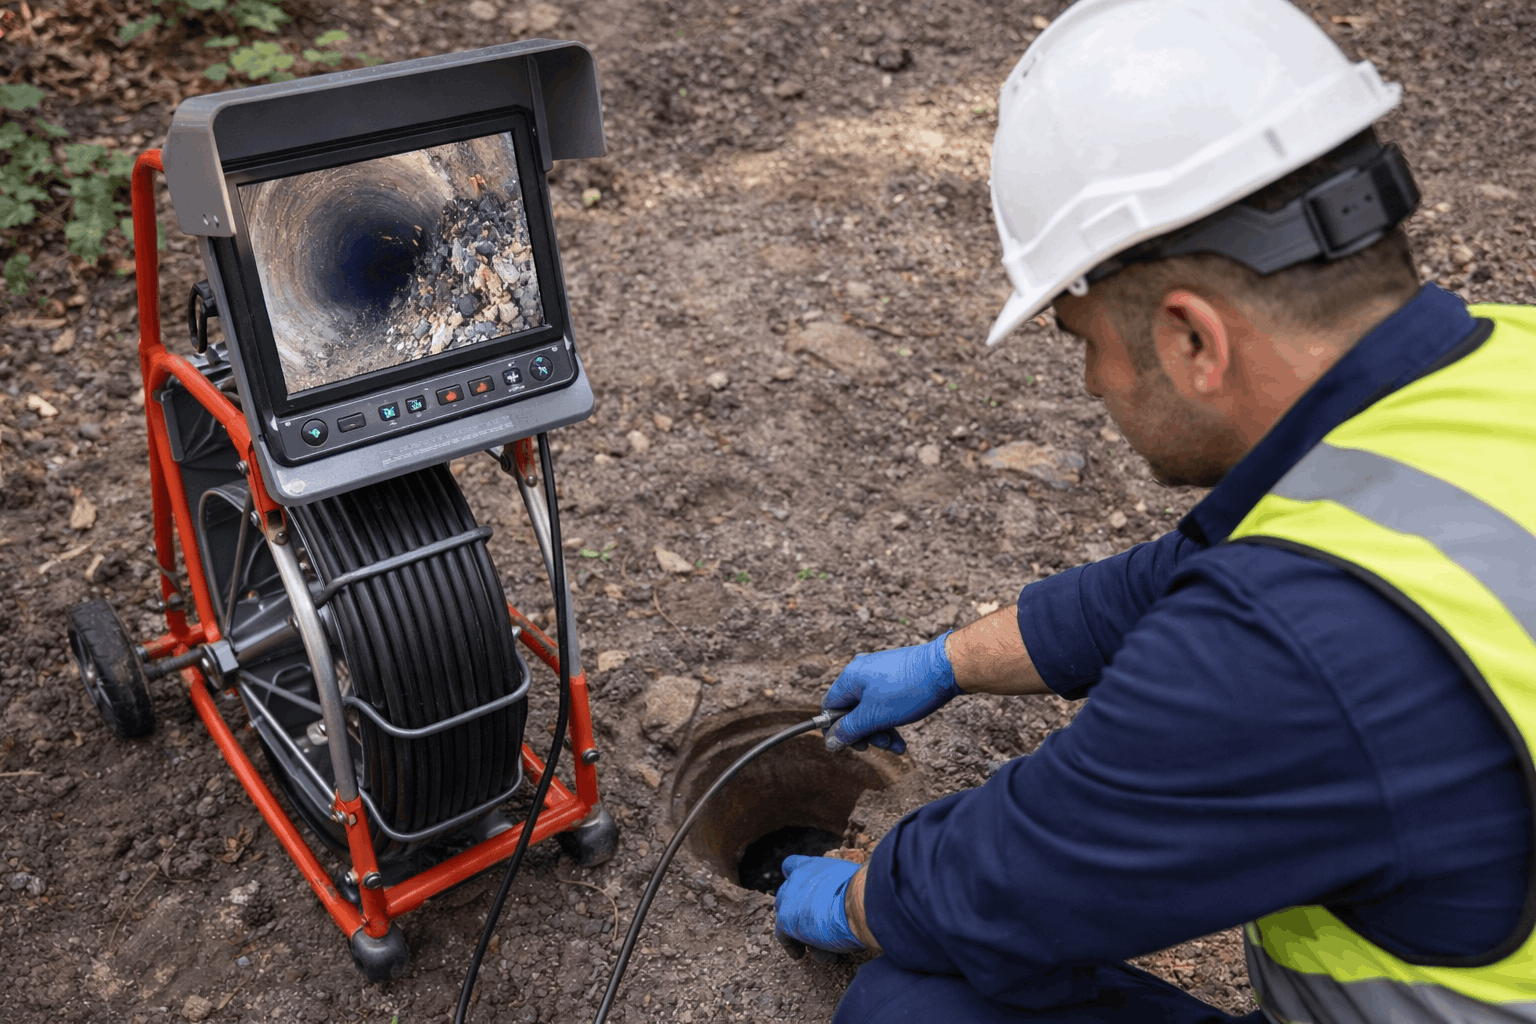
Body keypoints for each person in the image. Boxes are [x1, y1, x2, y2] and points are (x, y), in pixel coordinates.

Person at [767, 1, 1536, 1022]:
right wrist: (948, 661)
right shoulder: (1495, 360)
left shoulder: (1292, 651)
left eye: (1083, 337)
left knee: (909, 1009)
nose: (1090, 380)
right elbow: (1191, 567)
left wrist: (857, 896)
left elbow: (1011, 885)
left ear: (1192, 341)